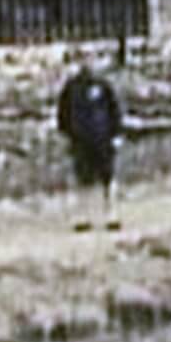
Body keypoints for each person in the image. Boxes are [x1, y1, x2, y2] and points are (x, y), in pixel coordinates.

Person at [56, 42, 126, 231]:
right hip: (80, 140)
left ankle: (112, 215)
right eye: (82, 58)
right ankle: (82, 217)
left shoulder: (103, 86)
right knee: (82, 179)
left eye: (89, 57)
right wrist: (66, 135)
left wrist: (117, 133)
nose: (86, 62)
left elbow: (114, 110)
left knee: (108, 178)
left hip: (103, 138)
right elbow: (63, 113)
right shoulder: (71, 88)